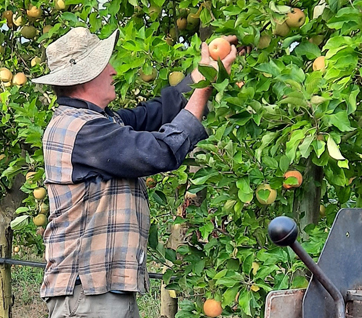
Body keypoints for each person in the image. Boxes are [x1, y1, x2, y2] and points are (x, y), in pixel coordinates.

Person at [32, 27, 237, 318]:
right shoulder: (83, 131)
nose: (114, 70)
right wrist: (204, 90)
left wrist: (201, 75)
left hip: (100, 293)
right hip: (89, 297)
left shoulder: (98, 121)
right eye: (106, 65)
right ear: (86, 77)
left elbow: (153, 115)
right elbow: (161, 152)